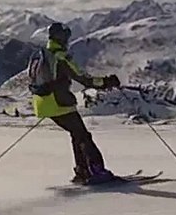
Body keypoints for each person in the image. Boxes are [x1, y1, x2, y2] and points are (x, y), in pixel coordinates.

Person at [28, 22, 121, 184]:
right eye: (66, 36)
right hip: (59, 103)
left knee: (77, 134)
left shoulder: (43, 55)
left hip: (43, 102)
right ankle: (97, 171)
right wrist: (107, 82)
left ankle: (83, 171)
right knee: (83, 136)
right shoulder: (61, 58)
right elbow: (84, 79)